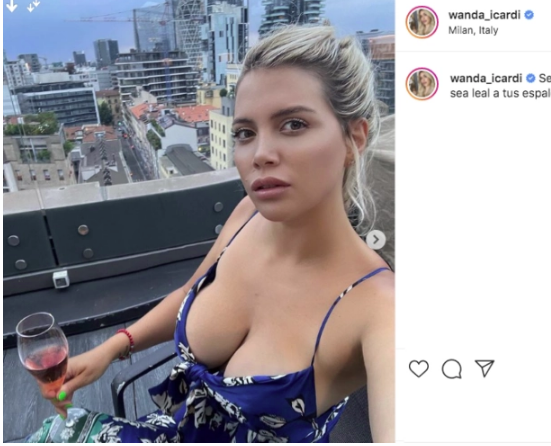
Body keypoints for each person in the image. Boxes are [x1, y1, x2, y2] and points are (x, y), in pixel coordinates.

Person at [27, 25, 394, 443]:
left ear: (353, 138)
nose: (260, 154)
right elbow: (190, 292)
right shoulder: (247, 216)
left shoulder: (380, 307)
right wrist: (111, 348)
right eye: (245, 133)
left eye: (293, 124)